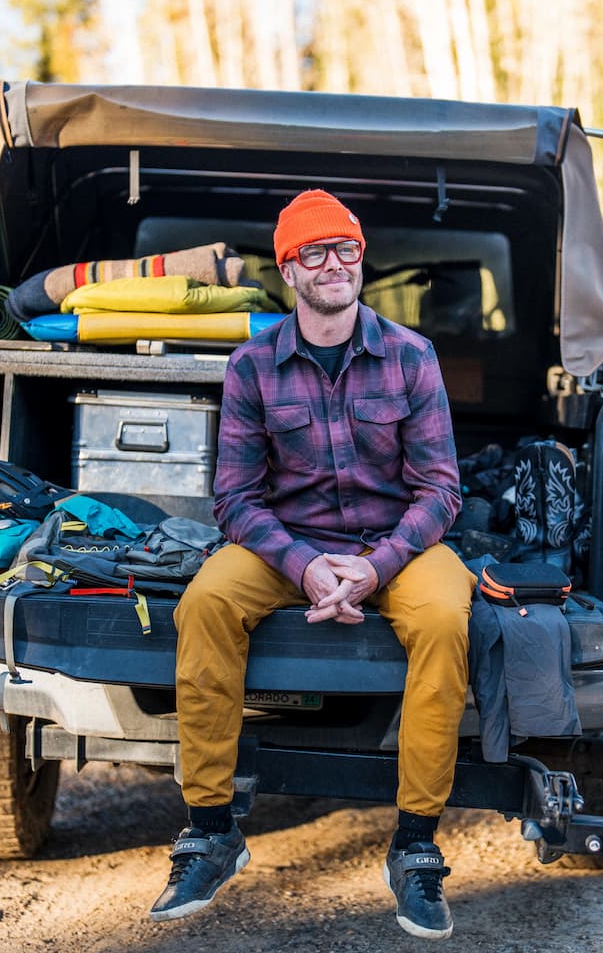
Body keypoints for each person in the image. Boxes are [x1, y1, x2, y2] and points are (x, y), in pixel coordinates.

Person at [148, 189, 475, 940]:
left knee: (443, 618)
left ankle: (416, 847)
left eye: (347, 249)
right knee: (204, 603)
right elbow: (234, 498)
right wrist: (304, 567)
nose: (335, 264)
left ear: (362, 259)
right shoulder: (253, 366)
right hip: (285, 544)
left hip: (396, 544)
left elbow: (441, 490)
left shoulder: (411, 357)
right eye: (315, 252)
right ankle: (210, 831)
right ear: (289, 272)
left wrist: (376, 567)